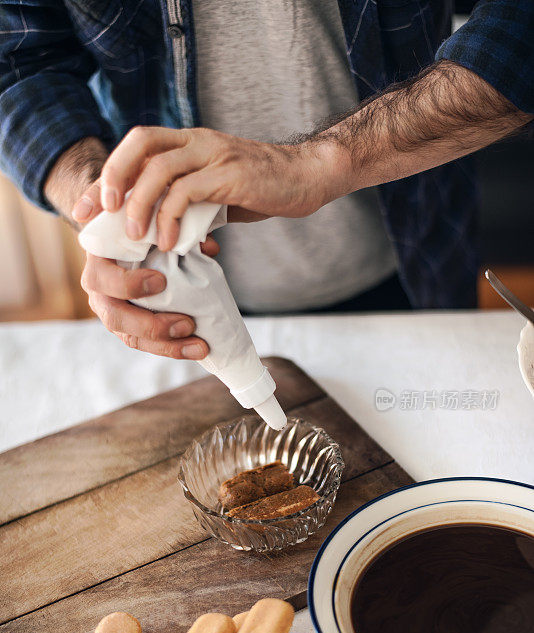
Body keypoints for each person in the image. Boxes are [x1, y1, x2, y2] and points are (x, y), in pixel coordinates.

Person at [0, 1, 532, 363]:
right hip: (175, 297)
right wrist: (100, 205)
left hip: (418, 259)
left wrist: (320, 161)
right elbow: (18, 62)